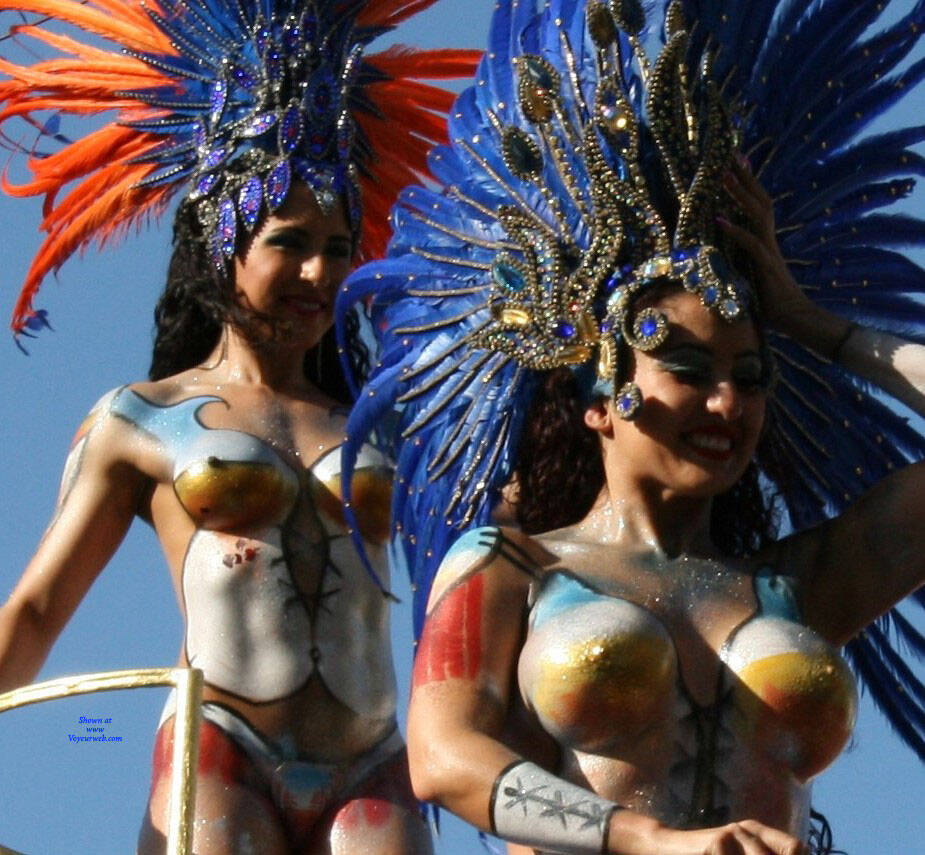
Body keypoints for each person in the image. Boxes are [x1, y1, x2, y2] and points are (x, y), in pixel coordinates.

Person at [335, 0, 925, 853]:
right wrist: (646, 838)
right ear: (597, 398)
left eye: (748, 376)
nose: (724, 404)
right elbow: (443, 758)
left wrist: (813, 323)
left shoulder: (799, 583)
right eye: (687, 369)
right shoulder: (510, 568)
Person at [0, 1, 476, 851]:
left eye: (338, 248)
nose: (319, 273)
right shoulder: (139, 419)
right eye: (291, 242)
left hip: (371, 759)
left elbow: (513, 539)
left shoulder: (388, 424)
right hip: (222, 751)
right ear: (223, 240)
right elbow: (36, 608)